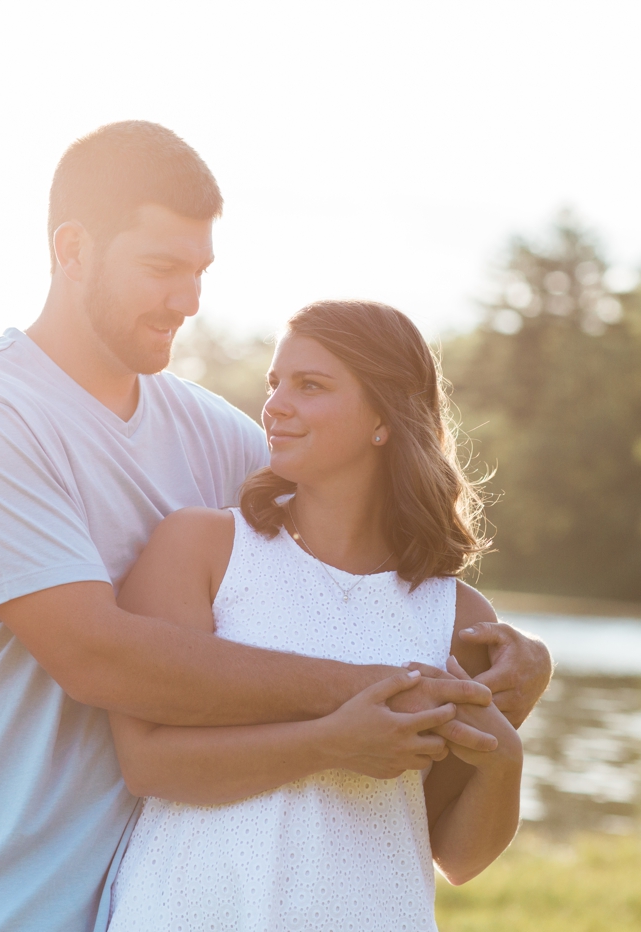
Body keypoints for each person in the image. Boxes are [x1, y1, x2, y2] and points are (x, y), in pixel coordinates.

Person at [0, 121, 552, 932]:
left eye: (199, 271)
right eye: (162, 267)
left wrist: (513, 662)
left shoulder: (220, 438)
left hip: (138, 892)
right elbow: (96, 655)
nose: (188, 300)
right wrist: (379, 696)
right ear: (73, 248)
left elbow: (351, 564)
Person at [105, 300, 526, 931]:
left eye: (310, 386)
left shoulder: (457, 614)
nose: (274, 405)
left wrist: (507, 755)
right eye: (275, 383)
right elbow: (150, 764)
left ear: (384, 417)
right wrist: (330, 743)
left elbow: (456, 854)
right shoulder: (200, 549)